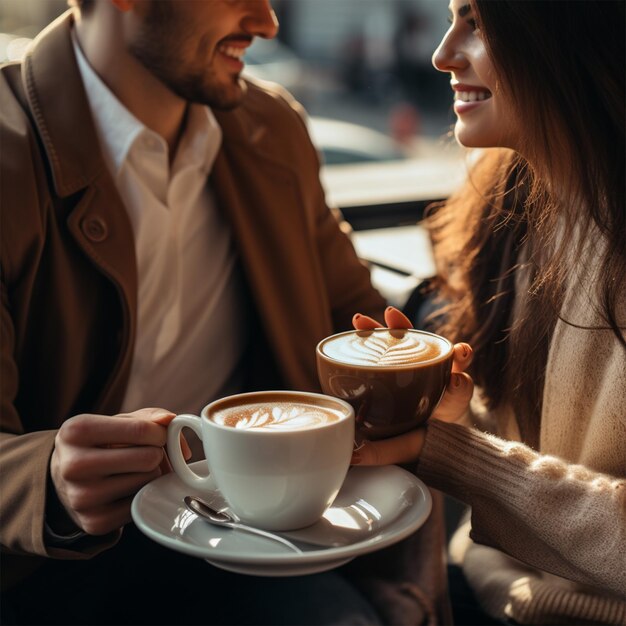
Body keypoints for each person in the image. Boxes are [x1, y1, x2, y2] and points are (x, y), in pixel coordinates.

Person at [0, 1, 472, 624]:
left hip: (254, 528)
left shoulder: (271, 128)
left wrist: (414, 383)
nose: (268, 22)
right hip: (59, 567)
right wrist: (49, 479)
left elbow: (356, 319)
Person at [353, 1, 626, 624]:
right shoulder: (507, 196)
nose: (443, 54)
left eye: (477, 21)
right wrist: (432, 405)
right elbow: (532, 439)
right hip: (489, 586)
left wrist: (459, 458)